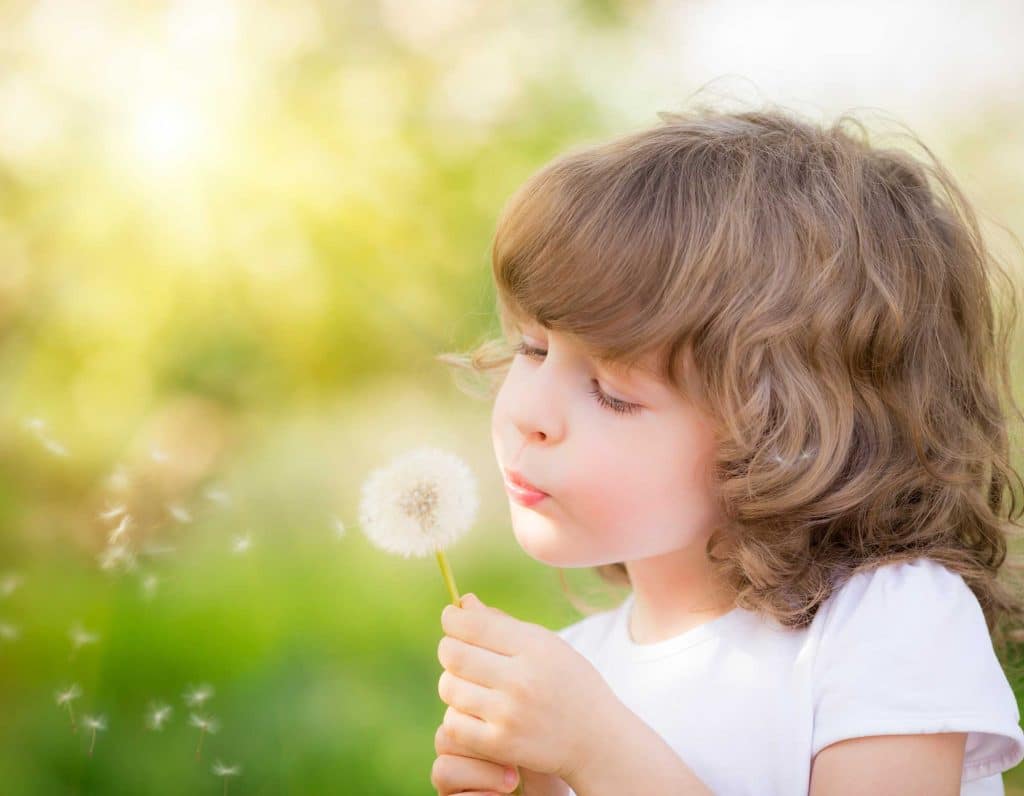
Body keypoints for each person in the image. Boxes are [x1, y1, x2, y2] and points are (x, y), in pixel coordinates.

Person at [432, 101, 1024, 795]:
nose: (527, 411)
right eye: (532, 348)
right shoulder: (575, 669)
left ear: (788, 437)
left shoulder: (889, 623)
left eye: (613, 391)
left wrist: (597, 751)